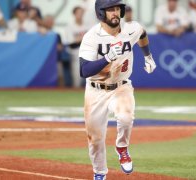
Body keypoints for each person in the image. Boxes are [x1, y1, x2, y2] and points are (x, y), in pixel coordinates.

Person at [79, 0, 156, 179]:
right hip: (95, 91)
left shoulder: (131, 29)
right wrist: (107, 58)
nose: (115, 13)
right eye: (110, 10)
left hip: (121, 87)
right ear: (100, 13)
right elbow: (84, 70)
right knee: (96, 139)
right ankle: (99, 173)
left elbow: (142, 33)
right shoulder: (92, 37)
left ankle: (122, 147)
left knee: (125, 117)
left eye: (117, 9)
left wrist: (148, 56)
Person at [65, 6, 88, 88]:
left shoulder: (86, 25)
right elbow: (71, 43)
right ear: (74, 14)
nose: (80, 14)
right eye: (78, 13)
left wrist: (79, 39)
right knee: (76, 76)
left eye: (81, 12)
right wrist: (83, 38)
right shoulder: (70, 26)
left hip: (87, 53)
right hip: (75, 53)